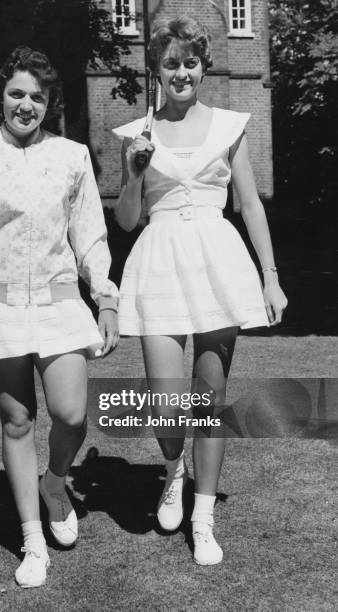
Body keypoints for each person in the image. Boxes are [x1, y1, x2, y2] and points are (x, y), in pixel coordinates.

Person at [0, 46, 118, 588]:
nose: (27, 105)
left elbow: (90, 235)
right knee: (17, 421)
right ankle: (32, 540)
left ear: (50, 101)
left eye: (37, 96)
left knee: (72, 413)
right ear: (1, 97)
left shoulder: (74, 156)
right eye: (17, 94)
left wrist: (105, 297)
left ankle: (55, 482)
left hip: (59, 302)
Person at [113, 16, 287, 565]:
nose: (181, 72)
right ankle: (173, 470)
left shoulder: (229, 126)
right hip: (159, 261)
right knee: (169, 408)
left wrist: (271, 276)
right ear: (156, 70)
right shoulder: (136, 135)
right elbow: (125, 219)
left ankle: (203, 513)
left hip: (217, 261)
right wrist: (136, 172)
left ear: (202, 68)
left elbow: (251, 204)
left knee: (208, 401)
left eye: (190, 62)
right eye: (170, 63)